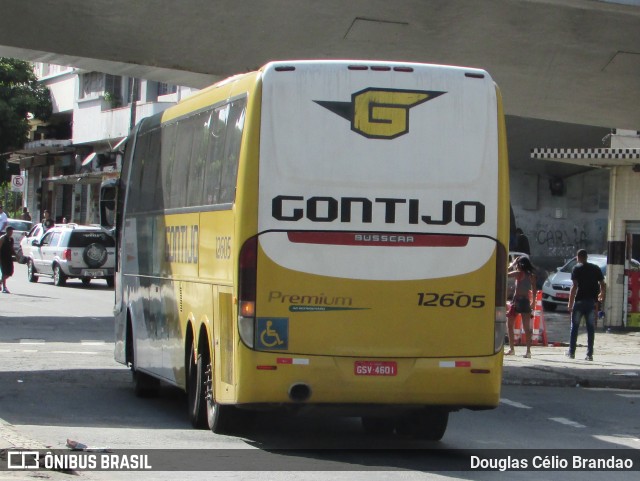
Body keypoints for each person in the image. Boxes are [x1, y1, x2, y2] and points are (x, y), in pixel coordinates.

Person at [567, 249, 606, 361]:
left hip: (579, 301)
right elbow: (602, 283)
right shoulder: (595, 268)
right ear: (587, 257)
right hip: (590, 303)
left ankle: (571, 352)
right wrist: (601, 294)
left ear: (578, 257)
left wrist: (570, 304)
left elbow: (574, 287)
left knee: (574, 327)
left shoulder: (576, 269)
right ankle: (589, 354)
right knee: (590, 329)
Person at [506, 255, 537, 358]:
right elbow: (534, 289)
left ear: (519, 264)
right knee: (527, 327)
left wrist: (512, 264)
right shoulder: (531, 275)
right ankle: (528, 351)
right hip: (526, 301)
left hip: (517, 301)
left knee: (510, 324)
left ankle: (511, 349)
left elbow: (505, 273)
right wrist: (533, 302)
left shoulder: (518, 273)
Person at [0, 226, 15, 293]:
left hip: (9, 257)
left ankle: (0, 282)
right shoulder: (2, 238)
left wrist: (16, 255)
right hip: (3, 257)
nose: (12, 232)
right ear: (7, 231)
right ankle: (4, 287)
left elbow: (11, 248)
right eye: (11, 231)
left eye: (12, 231)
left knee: (10, 272)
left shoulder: (11, 239)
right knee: (4, 272)